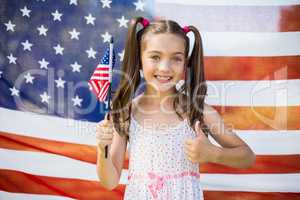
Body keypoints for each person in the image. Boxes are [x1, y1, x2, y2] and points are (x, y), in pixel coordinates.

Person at [96, 16, 256, 200]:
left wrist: (213, 153)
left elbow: (247, 157)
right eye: (155, 57)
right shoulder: (126, 113)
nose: (165, 67)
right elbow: (110, 181)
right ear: (139, 59)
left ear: (186, 63)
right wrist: (102, 149)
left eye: (176, 59)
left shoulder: (198, 111)